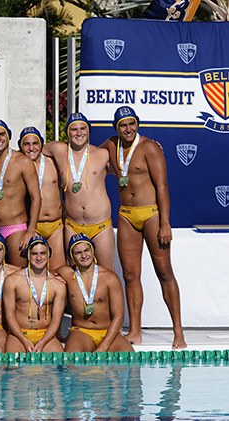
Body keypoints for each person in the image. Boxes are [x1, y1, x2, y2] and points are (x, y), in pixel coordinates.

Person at [101, 106, 186, 349]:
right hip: (126, 215)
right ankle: (135, 330)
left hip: (151, 214)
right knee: (130, 275)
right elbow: (90, 158)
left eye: (132, 124)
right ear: (116, 127)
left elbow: (163, 187)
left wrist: (165, 223)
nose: (128, 129)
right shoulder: (110, 145)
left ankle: (178, 331)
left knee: (164, 272)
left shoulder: (149, 147)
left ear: (137, 124)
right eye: (123, 125)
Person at [42, 113, 115, 269]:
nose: (79, 133)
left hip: (100, 225)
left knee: (106, 273)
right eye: (74, 129)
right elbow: (32, 149)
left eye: (83, 128)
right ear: (67, 132)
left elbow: (129, 168)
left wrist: (151, 153)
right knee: (77, 277)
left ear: (89, 131)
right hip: (73, 225)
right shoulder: (58, 149)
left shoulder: (102, 154)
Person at [58, 234, 134, 353]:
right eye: (78, 253)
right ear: (72, 256)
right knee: (73, 362)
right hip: (81, 331)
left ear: (92, 251)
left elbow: (119, 316)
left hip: (107, 331)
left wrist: (103, 346)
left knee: (131, 361)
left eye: (86, 250)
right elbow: (40, 274)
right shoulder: (66, 274)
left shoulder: (110, 278)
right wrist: (56, 279)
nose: (84, 256)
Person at [0, 120, 41, 267]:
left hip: (16, 228)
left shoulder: (23, 161)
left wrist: (31, 230)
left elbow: (36, 197)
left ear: (8, 136)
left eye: (2, 134)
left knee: (18, 273)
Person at [3, 236, 66, 353]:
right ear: (28, 255)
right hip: (19, 334)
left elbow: (56, 320)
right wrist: (23, 339)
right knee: (14, 365)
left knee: (57, 364)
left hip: (45, 334)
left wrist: (43, 342)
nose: (39, 258)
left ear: (48, 255)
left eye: (43, 253)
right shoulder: (12, 280)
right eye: (34, 254)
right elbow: (10, 316)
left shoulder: (58, 285)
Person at [18, 127, 65, 270]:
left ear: (42, 145)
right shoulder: (18, 165)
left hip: (55, 225)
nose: (31, 148)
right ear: (20, 146)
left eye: (35, 143)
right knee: (32, 274)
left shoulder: (53, 163)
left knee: (58, 273)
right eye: (26, 144)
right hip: (32, 227)